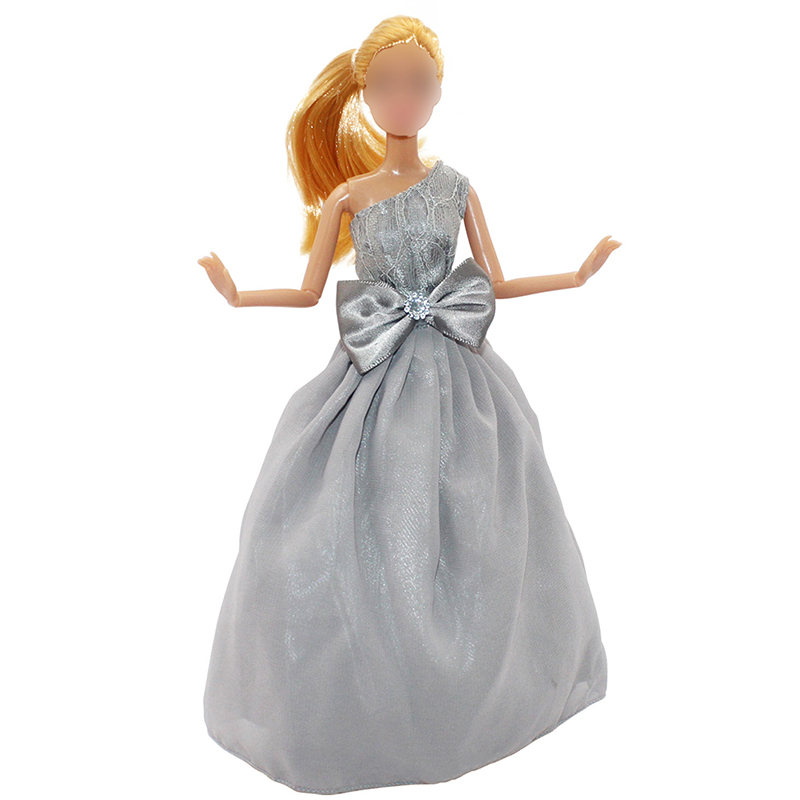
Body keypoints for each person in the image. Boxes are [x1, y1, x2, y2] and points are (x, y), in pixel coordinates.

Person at [198, 15, 620, 795]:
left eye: (418, 84)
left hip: (462, 379)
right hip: (371, 375)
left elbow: (496, 279)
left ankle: (482, 683)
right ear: (364, 95)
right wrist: (236, 294)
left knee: (484, 516)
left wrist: (576, 275)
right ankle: (356, 694)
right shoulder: (348, 197)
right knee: (341, 520)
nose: (403, 99)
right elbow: (309, 293)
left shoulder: (457, 186)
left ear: (438, 94)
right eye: (388, 85)